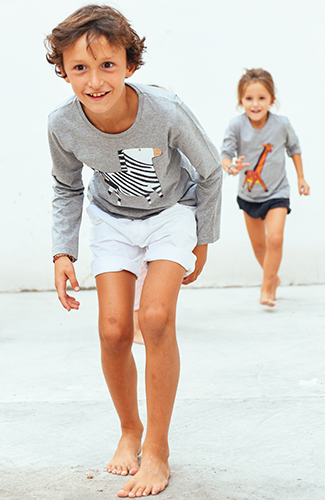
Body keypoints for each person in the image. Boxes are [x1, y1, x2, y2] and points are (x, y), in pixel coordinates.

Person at [45, 5, 222, 497]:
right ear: (63, 69)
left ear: (130, 65)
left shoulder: (164, 109)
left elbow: (209, 172)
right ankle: (130, 429)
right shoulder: (62, 124)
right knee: (114, 329)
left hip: (172, 214)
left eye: (108, 65)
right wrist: (63, 253)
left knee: (157, 318)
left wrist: (202, 239)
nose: (95, 80)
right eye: (80, 67)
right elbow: (66, 187)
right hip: (111, 221)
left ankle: (159, 452)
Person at [221, 68, 310, 307]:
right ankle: (274, 278)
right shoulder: (237, 126)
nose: (255, 104)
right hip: (249, 195)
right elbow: (226, 155)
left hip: (277, 192)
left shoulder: (281, 124)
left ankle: (266, 287)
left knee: (275, 239)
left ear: (272, 99)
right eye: (249, 98)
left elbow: (295, 149)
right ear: (241, 100)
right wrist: (232, 167)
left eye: (262, 98)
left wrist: (301, 178)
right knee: (259, 247)